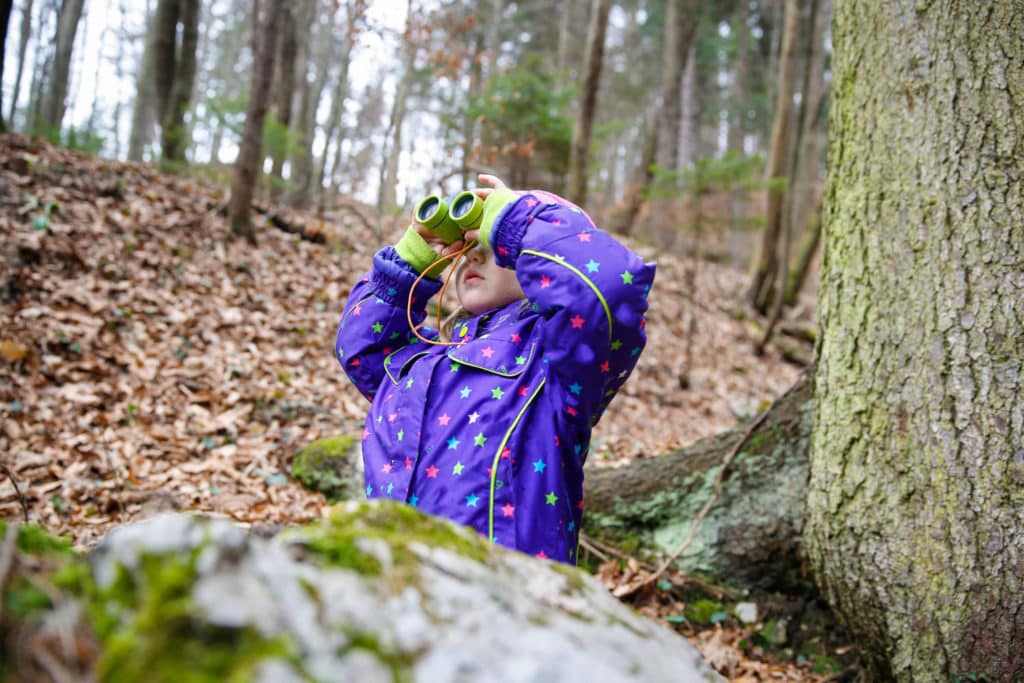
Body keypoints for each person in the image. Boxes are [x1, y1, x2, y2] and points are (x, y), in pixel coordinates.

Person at [334, 174, 656, 564]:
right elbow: (362, 347)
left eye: (493, 245)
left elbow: (606, 288)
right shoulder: (427, 355)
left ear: (544, 266)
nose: (474, 255)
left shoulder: (555, 363)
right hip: (400, 586)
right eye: (468, 246)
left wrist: (517, 220)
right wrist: (412, 259)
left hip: (507, 594)